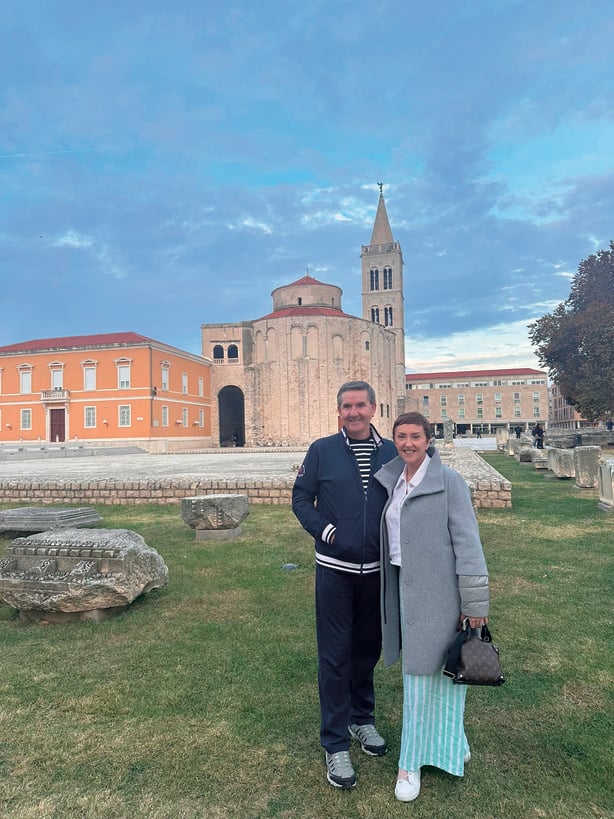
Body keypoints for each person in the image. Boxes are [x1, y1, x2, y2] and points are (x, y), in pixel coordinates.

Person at [374, 411, 489, 802]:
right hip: (404, 594)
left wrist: (475, 601)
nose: (408, 443)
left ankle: (411, 763)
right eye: (401, 437)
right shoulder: (392, 482)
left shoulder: (449, 482)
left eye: (415, 437)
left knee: (437, 678)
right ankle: (444, 747)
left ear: (428, 440)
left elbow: (469, 545)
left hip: (440, 598)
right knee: (420, 679)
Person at [292, 380, 397, 789]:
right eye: (346, 406)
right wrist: (328, 532)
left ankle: (362, 719)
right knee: (335, 655)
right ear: (339, 411)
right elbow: (301, 498)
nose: (353, 412)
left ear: (373, 409)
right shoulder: (322, 450)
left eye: (360, 405)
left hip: (376, 572)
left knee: (367, 649)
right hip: (334, 569)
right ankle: (335, 744)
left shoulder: (390, 452)